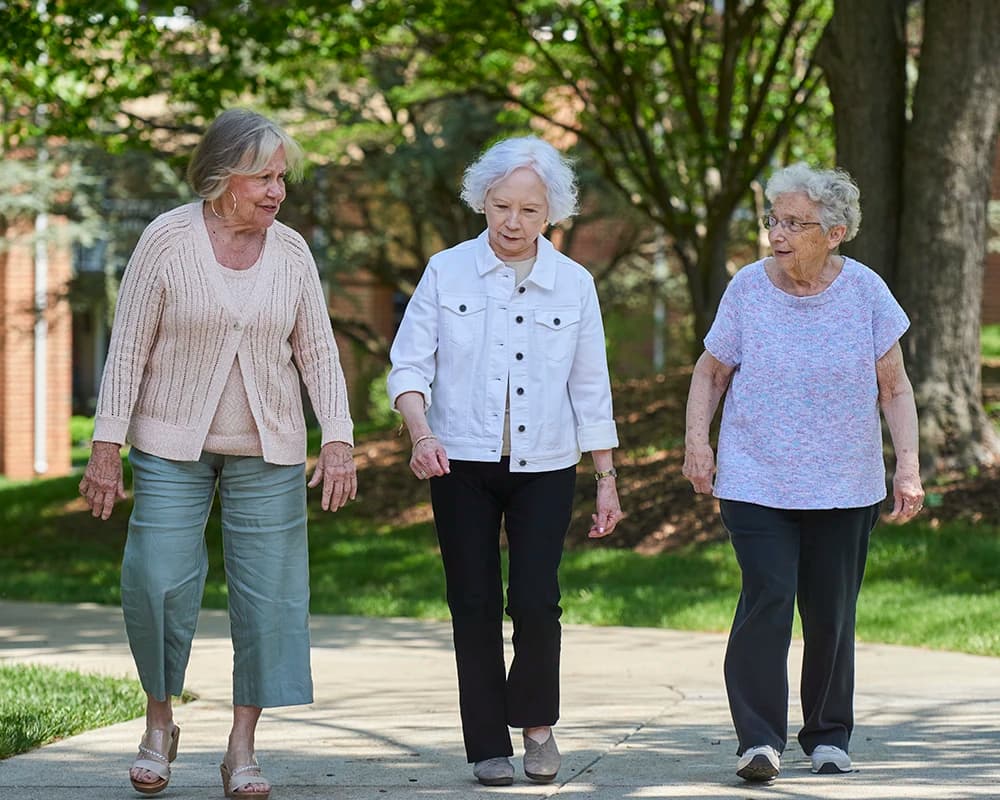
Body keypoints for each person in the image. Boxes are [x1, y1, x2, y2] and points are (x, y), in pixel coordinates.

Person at [79, 108, 357, 799]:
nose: (276, 191)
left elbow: (317, 350)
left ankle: (241, 748)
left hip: (269, 448)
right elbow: (130, 348)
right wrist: (105, 445)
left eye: (281, 177)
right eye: (263, 177)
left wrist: (340, 436)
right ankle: (159, 720)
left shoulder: (292, 251)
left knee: (270, 597)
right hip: (172, 443)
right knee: (156, 579)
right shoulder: (167, 239)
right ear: (220, 177)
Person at [387, 135, 623, 786]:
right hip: (457, 460)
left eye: (527, 210)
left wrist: (606, 477)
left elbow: (590, 386)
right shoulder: (447, 270)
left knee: (536, 600)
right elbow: (409, 364)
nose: (511, 223)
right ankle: (487, 743)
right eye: (500, 207)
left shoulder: (574, 284)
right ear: (481, 202)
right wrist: (420, 431)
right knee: (472, 601)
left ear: (551, 214)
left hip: (546, 465)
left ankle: (539, 728)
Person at [683, 163, 924, 783]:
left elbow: (894, 389)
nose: (778, 234)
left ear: (835, 232)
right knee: (767, 597)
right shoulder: (746, 289)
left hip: (845, 483)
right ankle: (758, 741)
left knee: (831, 611)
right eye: (774, 220)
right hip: (756, 477)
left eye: (794, 223)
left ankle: (827, 737)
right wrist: (697, 446)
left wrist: (909, 470)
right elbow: (711, 373)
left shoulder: (866, 292)